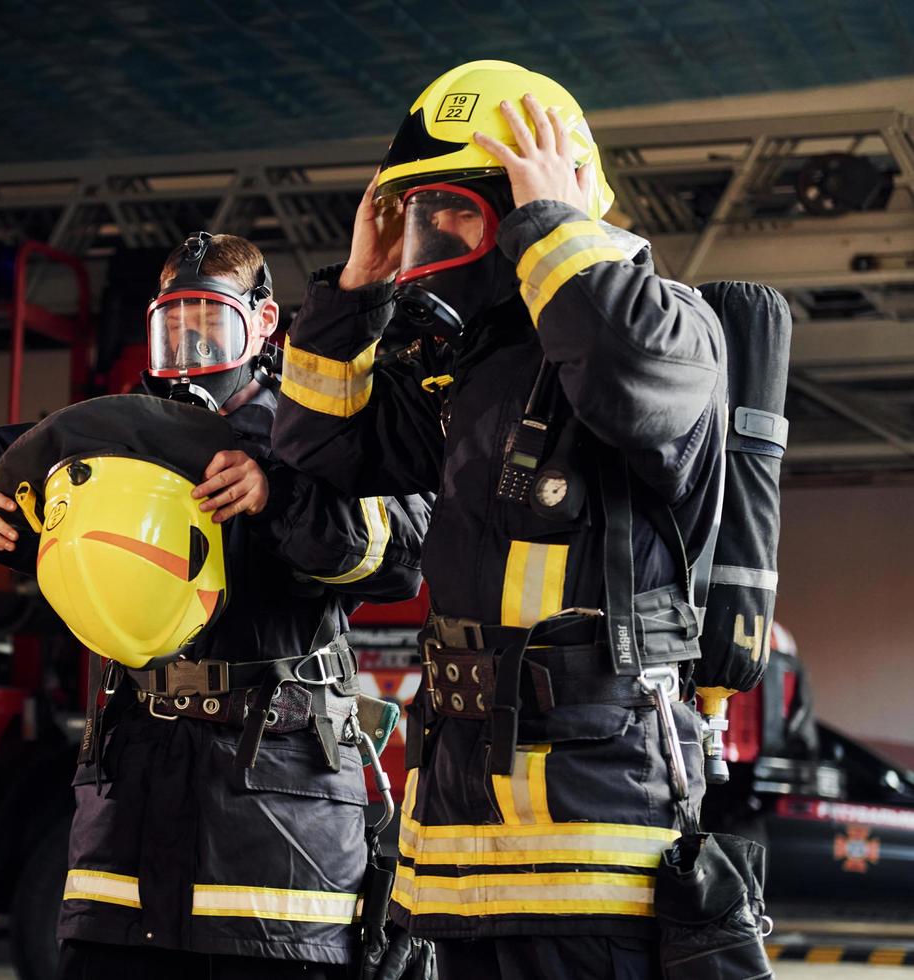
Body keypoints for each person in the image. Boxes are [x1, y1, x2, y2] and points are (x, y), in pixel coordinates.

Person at [271, 61, 725, 979]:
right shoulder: (473, 375)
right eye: (418, 222)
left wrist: (557, 227)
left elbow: (629, 380)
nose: (431, 244)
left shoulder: (674, 325)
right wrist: (356, 288)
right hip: (463, 847)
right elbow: (320, 449)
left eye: (456, 215)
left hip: (595, 845)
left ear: (542, 198)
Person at [0, 232, 431, 979]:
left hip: (279, 821)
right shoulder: (111, 439)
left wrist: (279, 495)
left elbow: (400, 552)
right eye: (171, 325)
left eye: (210, 321)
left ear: (264, 322)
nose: (189, 345)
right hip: (129, 810)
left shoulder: (316, 433)